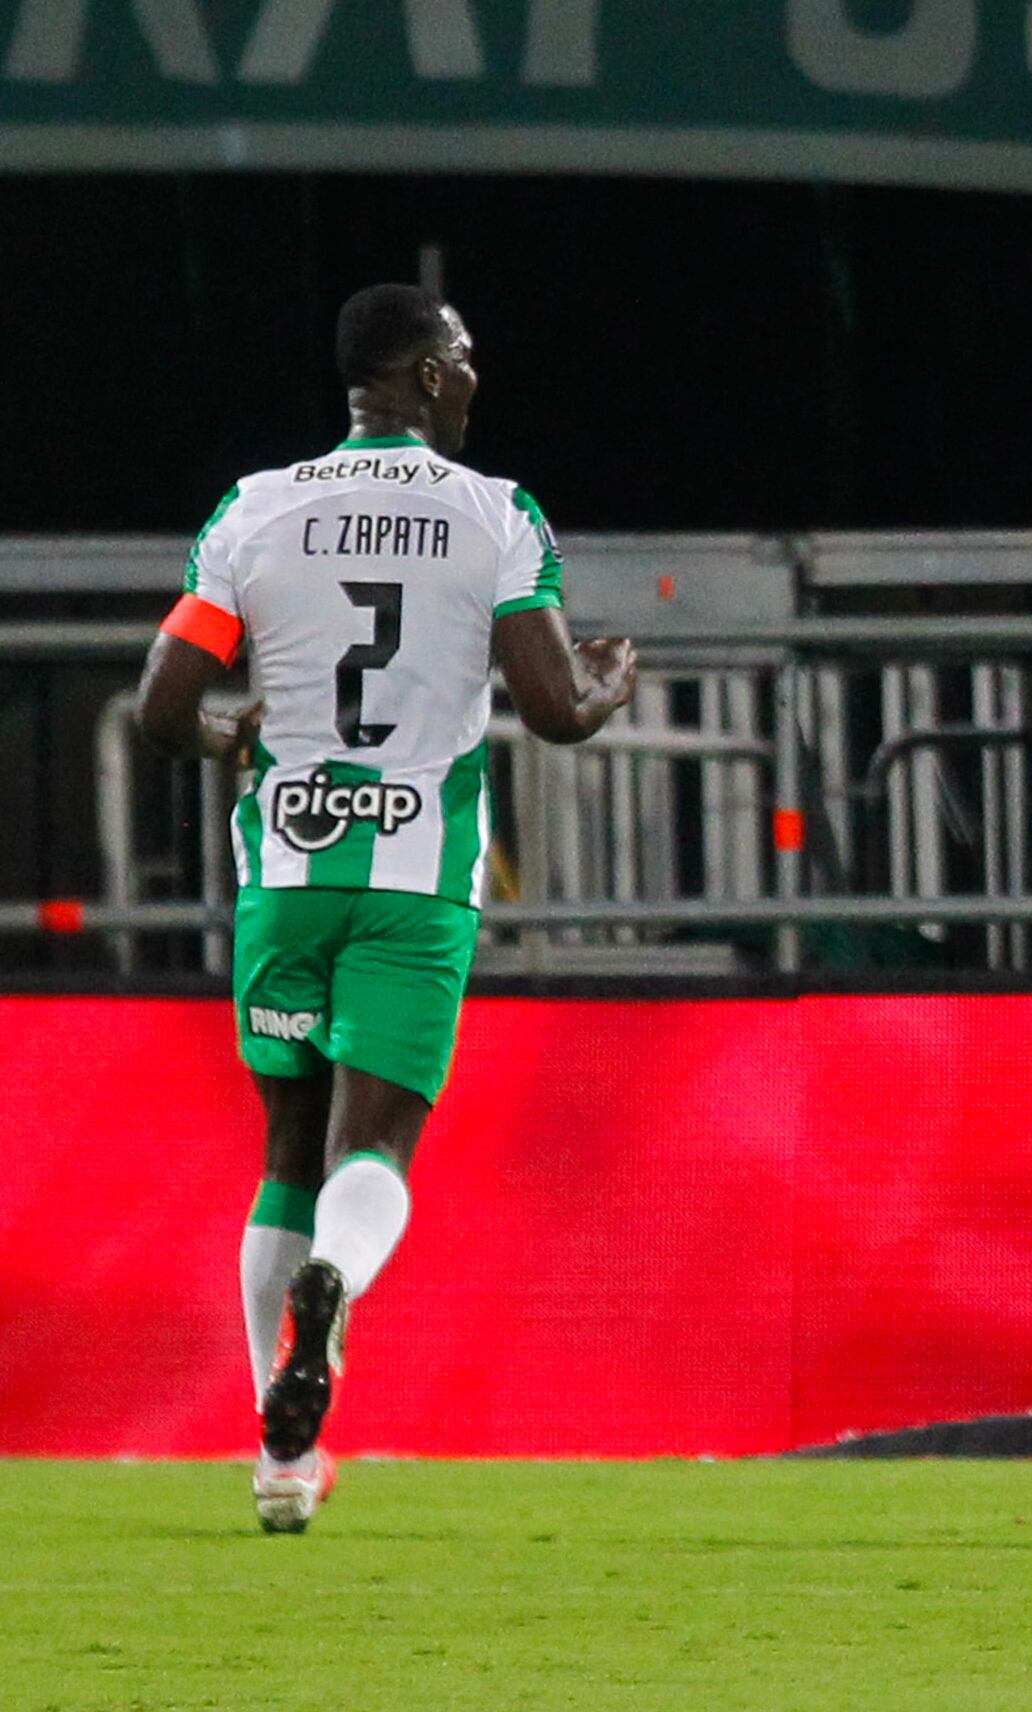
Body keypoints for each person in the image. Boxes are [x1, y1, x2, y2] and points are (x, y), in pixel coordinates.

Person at [136, 283, 638, 1532]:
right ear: (419, 375)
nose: (473, 379)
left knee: (285, 1153)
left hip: (287, 872)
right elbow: (552, 708)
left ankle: (281, 1457)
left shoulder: (254, 508)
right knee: (377, 1151)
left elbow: (163, 704)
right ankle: (335, 1286)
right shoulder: (496, 516)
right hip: (415, 883)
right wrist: (610, 685)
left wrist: (223, 735)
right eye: (461, 358)